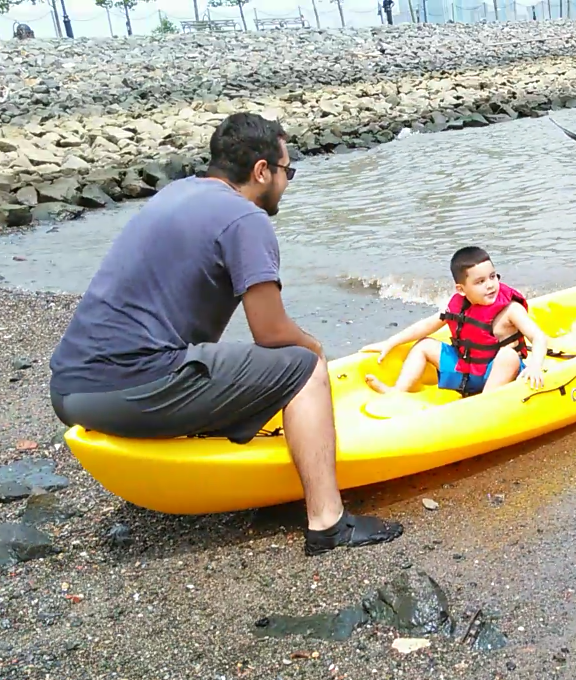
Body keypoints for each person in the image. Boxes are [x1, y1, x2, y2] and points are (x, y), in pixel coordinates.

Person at [48, 112, 402, 557]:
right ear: (261, 171)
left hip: (69, 389)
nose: (287, 182)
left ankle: (279, 480)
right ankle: (328, 522)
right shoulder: (245, 219)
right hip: (129, 385)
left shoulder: (177, 193)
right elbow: (272, 332)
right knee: (303, 366)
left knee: (242, 363)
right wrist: (316, 349)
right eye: (286, 170)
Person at [362, 247, 548, 396]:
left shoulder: (510, 310)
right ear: (461, 289)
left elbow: (538, 337)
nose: (490, 285)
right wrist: (391, 342)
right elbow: (426, 325)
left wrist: (535, 366)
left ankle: (485, 404)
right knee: (424, 345)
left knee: (509, 356)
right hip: (466, 371)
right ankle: (396, 393)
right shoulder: (459, 306)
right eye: (480, 281)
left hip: (500, 374)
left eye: (492, 276)